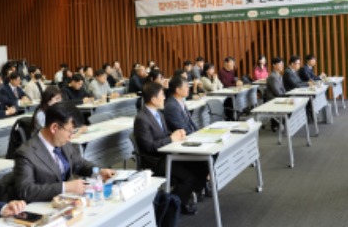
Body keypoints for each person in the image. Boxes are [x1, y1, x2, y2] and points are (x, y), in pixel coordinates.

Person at [13, 102, 115, 202]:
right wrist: (65, 187)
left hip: (68, 202)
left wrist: (97, 172)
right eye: (70, 131)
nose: (71, 136)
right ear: (54, 128)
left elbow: (79, 163)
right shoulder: (26, 153)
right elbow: (25, 191)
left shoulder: (63, 142)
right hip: (44, 206)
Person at [133, 82, 206, 215]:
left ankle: (184, 196)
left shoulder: (158, 114)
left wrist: (177, 134)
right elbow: (149, 146)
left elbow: (165, 134)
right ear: (153, 99)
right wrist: (171, 139)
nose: (165, 98)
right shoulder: (141, 119)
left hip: (168, 154)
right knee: (188, 177)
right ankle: (172, 207)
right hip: (155, 160)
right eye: (162, 95)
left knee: (201, 164)